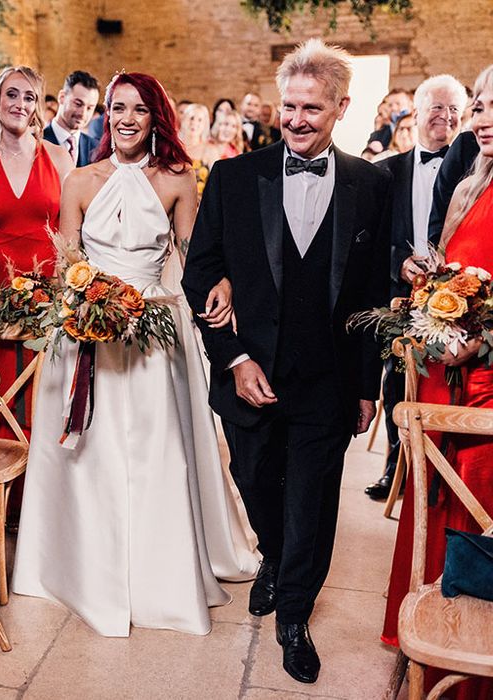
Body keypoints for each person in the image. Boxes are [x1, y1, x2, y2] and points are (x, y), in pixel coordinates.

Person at [12, 71, 259, 636]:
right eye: (117, 107)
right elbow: (66, 265)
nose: (127, 119)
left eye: (140, 110)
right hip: (88, 334)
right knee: (90, 454)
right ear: (106, 114)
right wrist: (81, 306)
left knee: (153, 452)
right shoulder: (78, 181)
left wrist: (225, 289)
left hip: (153, 333)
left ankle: (158, 572)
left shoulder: (177, 179)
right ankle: (82, 567)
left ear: (156, 119)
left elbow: (197, 259)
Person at [183, 39, 391, 684]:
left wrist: (366, 384)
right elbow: (201, 276)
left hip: (327, 379)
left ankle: (295, 613)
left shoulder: (371, 185)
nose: (297, 120)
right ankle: (272, 556)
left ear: (341, 108)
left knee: (313, 499)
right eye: (289, 107)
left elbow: (371, 297)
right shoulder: (233, 178)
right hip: (251, 372)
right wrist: (237, 357)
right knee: (256, 482)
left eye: (313, 109)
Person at [381, 64, 493, 700]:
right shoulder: (469, 184)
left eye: (490, 106)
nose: (480, 118)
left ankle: (472, 657)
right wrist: (434, 290)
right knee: (437, 503)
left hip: (483, 382)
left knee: (478, 502)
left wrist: (476, 337)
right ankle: (430, 629)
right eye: (478, 105)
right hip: (446, 373)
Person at [0, 66, 72, 521]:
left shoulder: (60, 159)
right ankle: (5, 506)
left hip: (52, 293)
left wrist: (62, 293)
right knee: (2, 395)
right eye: (12, 95)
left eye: (30, 97)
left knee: (48, 391)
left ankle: (46, 505)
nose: (20, 105)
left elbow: (72, 234)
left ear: (38, 107)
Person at [365, 74, 466, 501]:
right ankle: (397, 464)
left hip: (459, 291)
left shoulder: (474, 168)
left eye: (454, 110)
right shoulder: (386, 171)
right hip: (400, 293)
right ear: (417, 113)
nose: (445, 116)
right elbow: (368, 238)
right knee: (397, 379)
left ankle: (447, 466)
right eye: (437, 108)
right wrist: (398, 262)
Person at [427, 129, 479, 240]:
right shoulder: (468, 143)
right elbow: (440, 207)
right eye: (477, 110)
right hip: (459, 250)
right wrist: (439, 251)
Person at [43, 70, 100, 167]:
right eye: (78, 104)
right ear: (62, 97)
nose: (83, 113)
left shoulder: (96, 148)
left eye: (89, 108)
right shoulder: (35, 142)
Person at [366, 87, 413, 152]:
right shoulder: (382, 132)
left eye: (398, 103)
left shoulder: (422, 128)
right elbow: (369, 154)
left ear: (411, 105)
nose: (393, 108)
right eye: (390, 105)